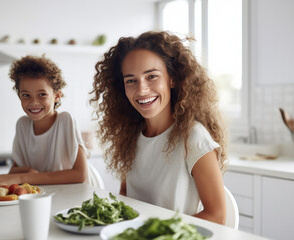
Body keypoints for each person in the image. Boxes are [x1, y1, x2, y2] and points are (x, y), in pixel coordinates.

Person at [89, 31, 228, 224]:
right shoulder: (130, 136)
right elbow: (125, 195)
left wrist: (148, 233)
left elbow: (217, 215)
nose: (141, 89)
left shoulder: (194, 137)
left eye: (151, 76)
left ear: (173, 79)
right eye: (131, 80)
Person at [0, 55, 88, 186]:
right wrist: (28, 172)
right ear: (19, 97)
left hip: (80, 194)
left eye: (42, 94)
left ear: (57, 96)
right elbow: (14, 170)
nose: (34, 102)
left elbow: (80, 175)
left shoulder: (65, 120)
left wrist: (24, 178)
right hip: (50, 194)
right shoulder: (22, 125)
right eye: (26, 95)